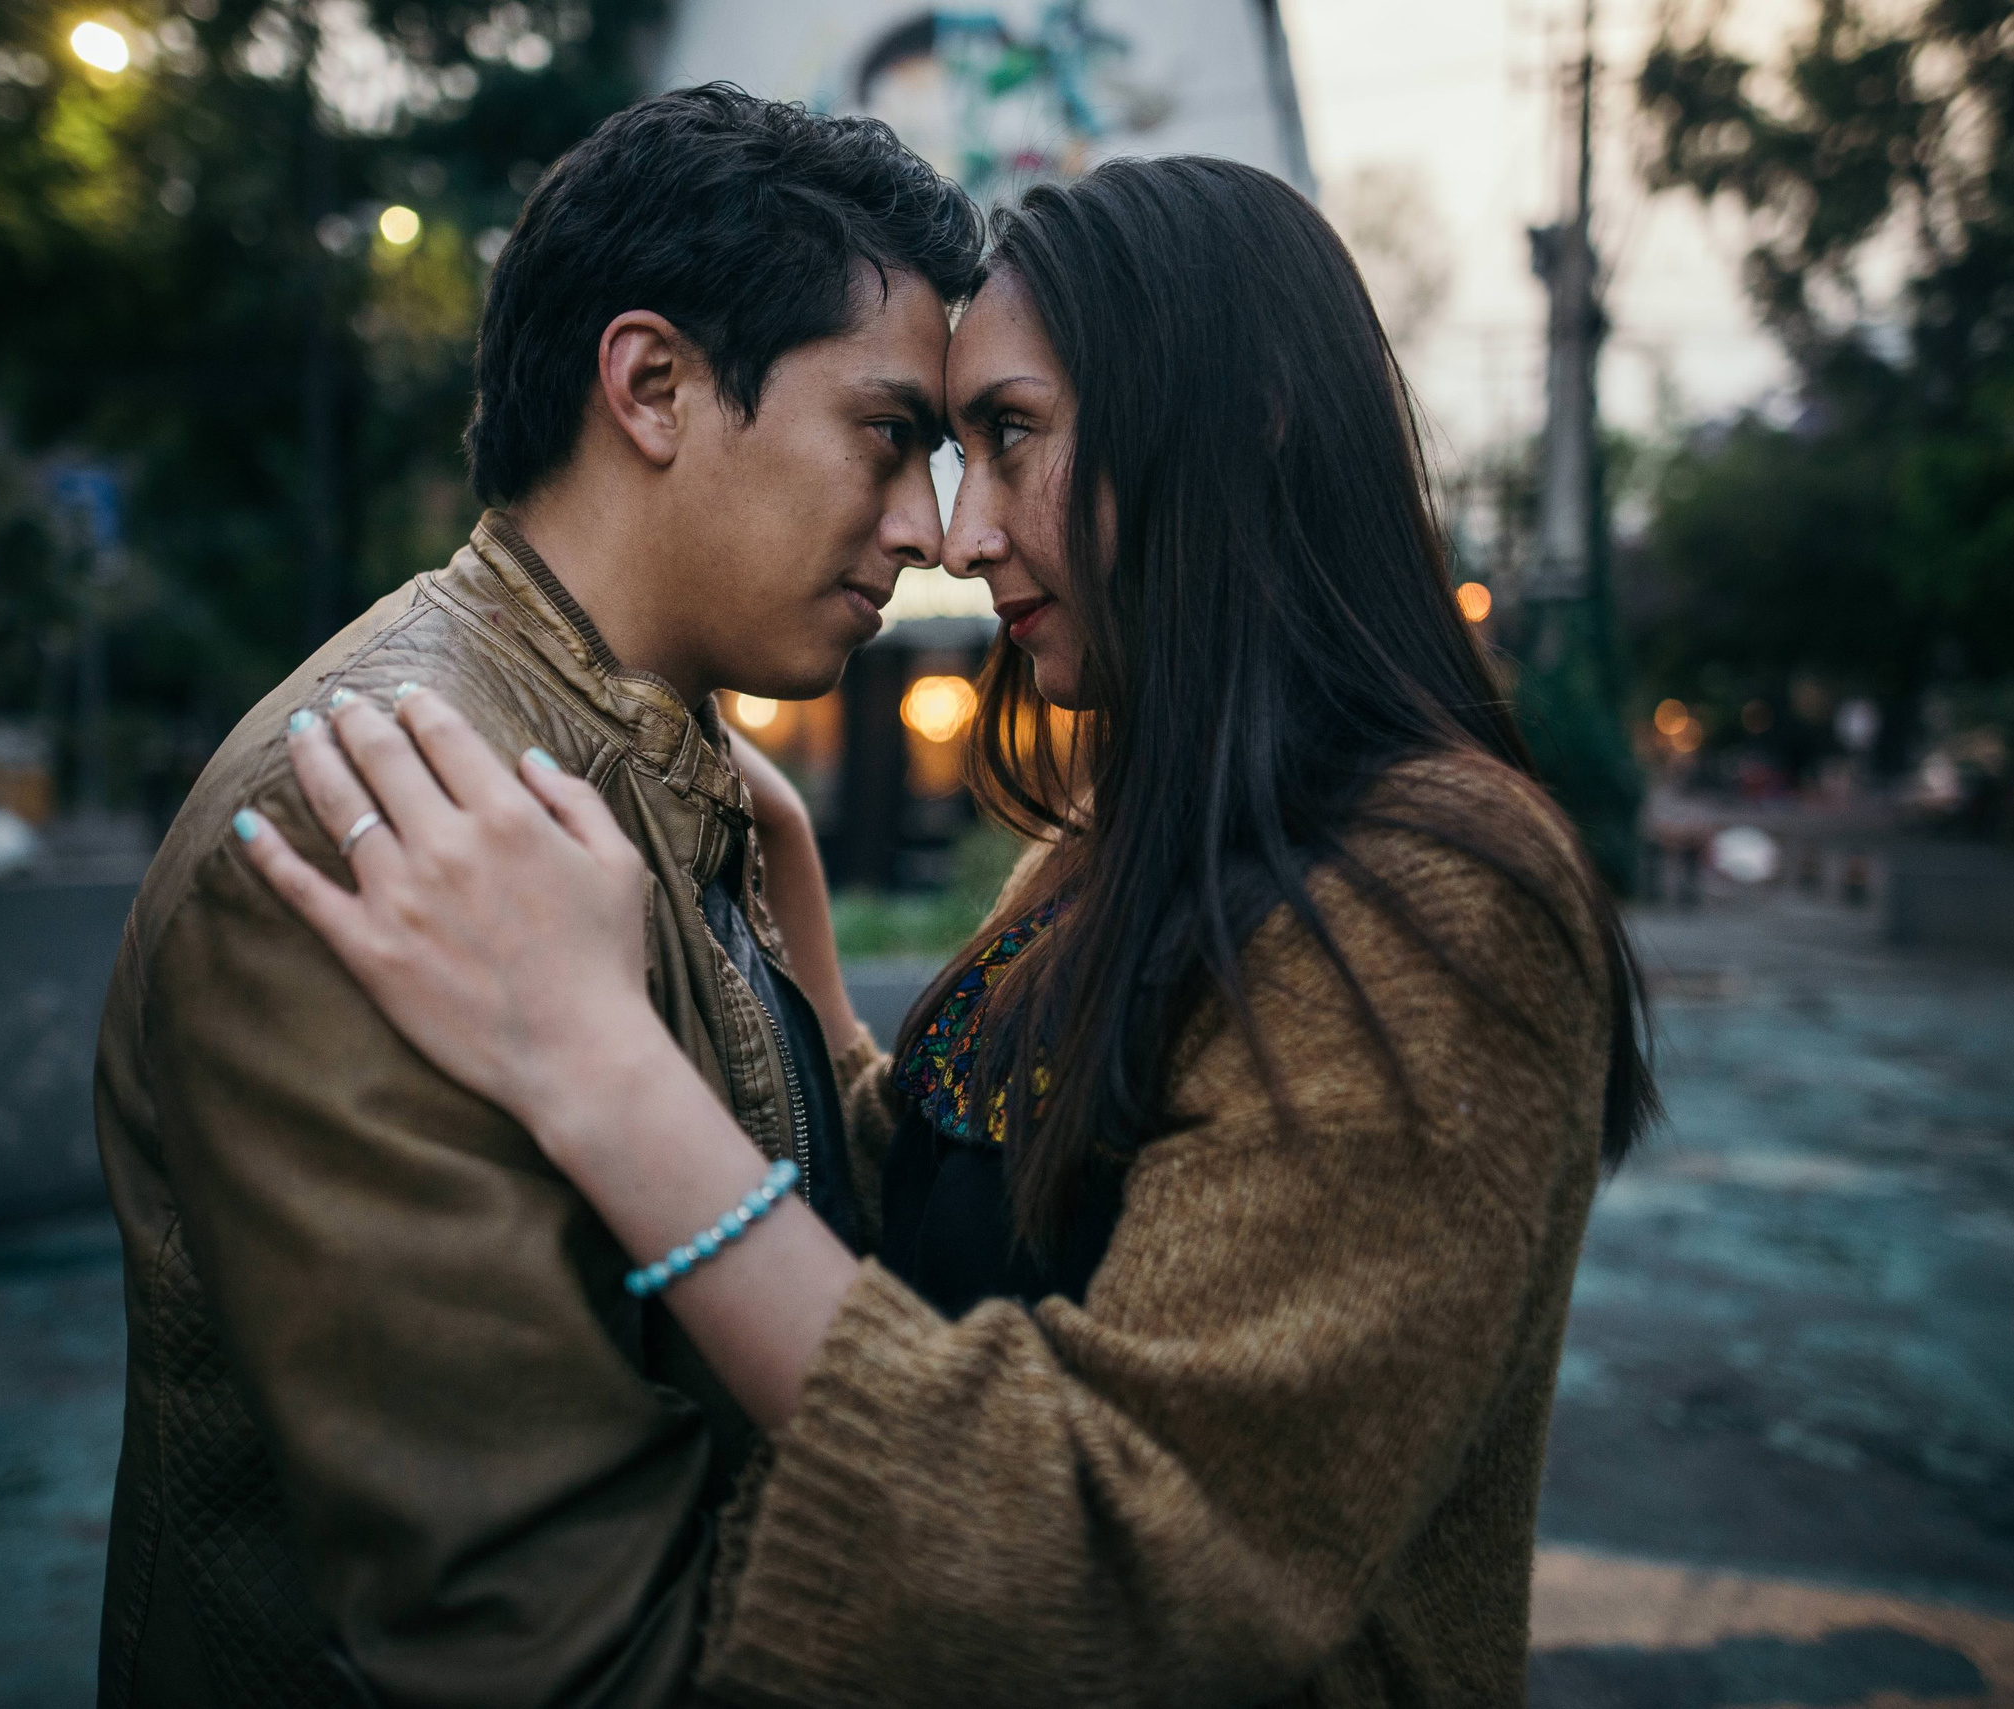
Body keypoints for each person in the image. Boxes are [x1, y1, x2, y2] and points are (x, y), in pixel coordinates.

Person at [244, 156, 1657, 1707]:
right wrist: (789, 933)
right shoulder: (1131, 827)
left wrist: (594, 1059)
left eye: (1009, 437)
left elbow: (1134, 1574)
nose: (958, 532)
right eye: (932, 439)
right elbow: (964, 1227)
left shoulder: (1434, 891)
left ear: (1237, 414)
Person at [90, 85, 979, 1706]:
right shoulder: (381, 815)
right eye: (889, 433)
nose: (929, 531)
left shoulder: (655, 746)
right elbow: (553, 1646)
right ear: (650, 385)